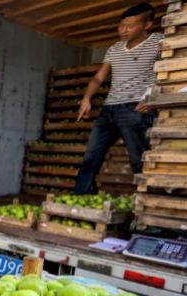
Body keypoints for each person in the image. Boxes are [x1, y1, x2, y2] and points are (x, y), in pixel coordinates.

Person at [75, 2, 162, 194]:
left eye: (130, 25)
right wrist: (86, 98)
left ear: (147, 25)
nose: (123, 30)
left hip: (136, 110)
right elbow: (98, 78)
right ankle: (81, 199)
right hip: (109, 110)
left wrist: (151, 98)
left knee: (139, 159)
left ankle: (148, 204)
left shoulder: (159, 41)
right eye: (121, 25)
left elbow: (170, 71)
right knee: (91, 156)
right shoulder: (115, 48)